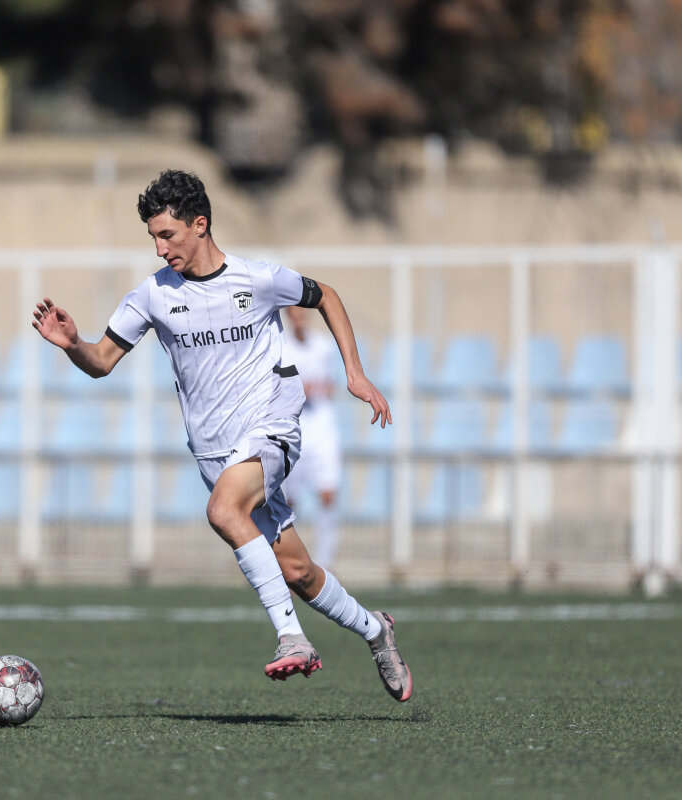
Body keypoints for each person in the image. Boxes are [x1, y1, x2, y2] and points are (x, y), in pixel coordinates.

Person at [30, 169, 412, 702]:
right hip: (215, 452)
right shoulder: (151, 296)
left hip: (272, 425)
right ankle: (376, 630)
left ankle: (292, 638)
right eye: (153, 238)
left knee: (223, 511)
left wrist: (355, 372)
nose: (160, 248)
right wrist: (73, 343)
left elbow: (325, 294)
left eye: (167, 235)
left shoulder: (257, 278)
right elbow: (102, 361)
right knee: (297, 571)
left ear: (200, 224)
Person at [281, 305, 344, 570]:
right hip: (294, 429)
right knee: (288, 500)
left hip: (323, 429)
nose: (299, 320)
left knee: (328, 494)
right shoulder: (282, 347)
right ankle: (289, 561)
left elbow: (330, 385)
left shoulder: (323, 346)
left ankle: (325, 562)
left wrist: (319, 388)